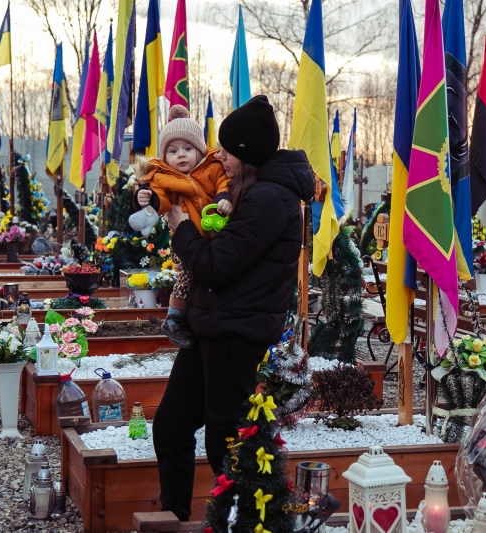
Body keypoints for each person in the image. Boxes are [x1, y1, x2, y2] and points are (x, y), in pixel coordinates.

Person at [151, 95, 315, 521]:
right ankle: (175, 516)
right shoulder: (252, 192)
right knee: (171, 425)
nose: (216, 155)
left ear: (244, 154)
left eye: (225, 148)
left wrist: (180, 226)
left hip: (234, 334)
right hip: (213, 327)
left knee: (226, 437)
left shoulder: (269, 200)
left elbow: (214, 266)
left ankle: (240, 520)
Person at [133, 105, 232, 348]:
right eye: (174, 151)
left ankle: (192, 314)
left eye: (188, 149)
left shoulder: (213, 166)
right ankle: (174, 317)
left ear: (200, 150)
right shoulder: (162, 176)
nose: (181, 155)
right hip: (184, 236)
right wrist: (149, 199)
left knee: (207, 274)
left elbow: (225, 182)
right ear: (165, 156)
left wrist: (224, 198)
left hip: (214, 231)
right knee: (186, 275)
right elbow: (161, 197)